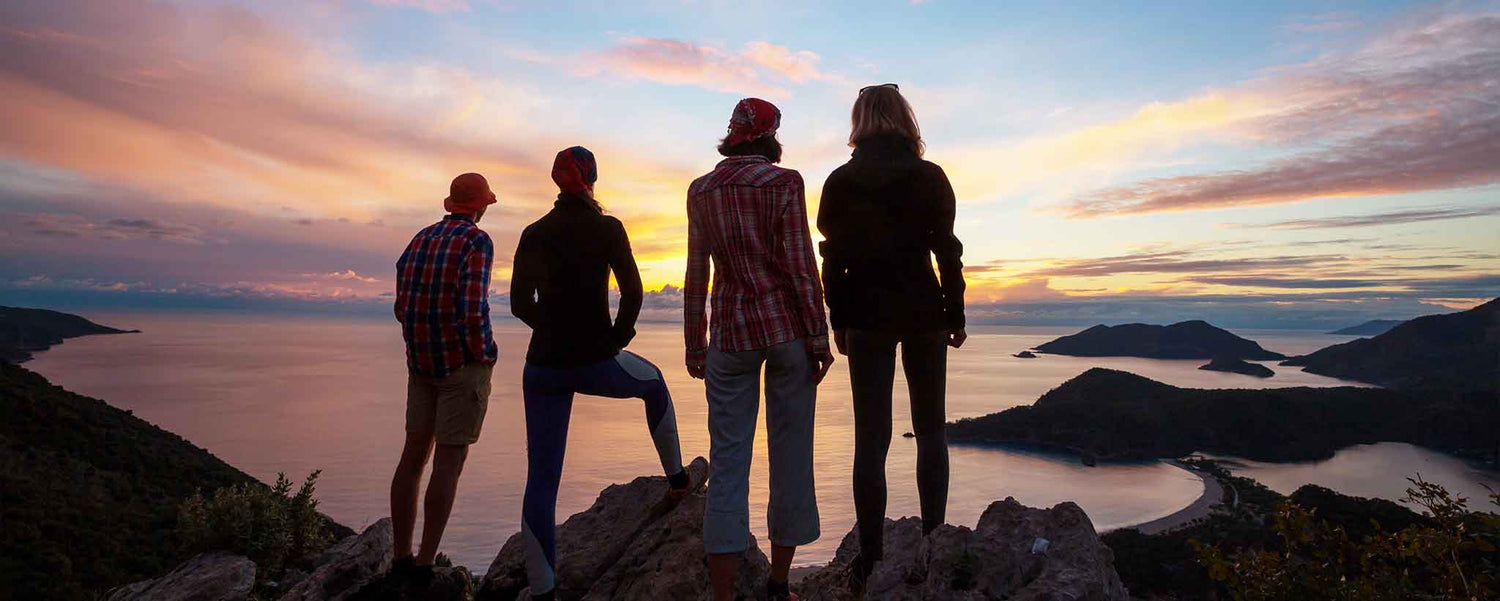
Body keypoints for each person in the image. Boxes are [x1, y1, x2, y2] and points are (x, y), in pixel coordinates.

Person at [511, 146, 694, 601]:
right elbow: (633, 293)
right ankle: (678, 482)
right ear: (592, 177)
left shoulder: (534, 232)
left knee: (542, 479)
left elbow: (518, 304)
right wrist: (615, 338)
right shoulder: (607, 228)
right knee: (654, 385)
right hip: (594, 358)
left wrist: (552, 329)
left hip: (542, 366)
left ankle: (543, 592)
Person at [817, 83, 967, 592]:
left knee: (871, 439)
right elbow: (946, 250)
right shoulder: (929, 177)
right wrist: (956, 313)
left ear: (860, 121)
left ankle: (870, 557)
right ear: (906, 118)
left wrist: (836, 317)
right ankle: (934, 541)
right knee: (931, 431)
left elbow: (833, 258)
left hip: (866, 316)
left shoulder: (842, 180)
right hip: (924, 311)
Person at [686, 98, 834, 601]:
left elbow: (696, 272)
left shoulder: (701, 190)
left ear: (732, 134)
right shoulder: (783, 183)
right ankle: (777, 585)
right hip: (784, 330)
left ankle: (725, 596)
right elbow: (799, 265)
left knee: (728, 462)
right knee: (791, 457)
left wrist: (694, 340)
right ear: (771, 137)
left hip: (728, 333)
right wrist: (818, 335)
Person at [387, 172, 500, 589]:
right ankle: (423, 563)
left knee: (412, 458)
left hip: (421, 365)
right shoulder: (476, 242)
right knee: (449, 464)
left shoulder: (420, 239)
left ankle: (399, 556)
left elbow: (402, 306)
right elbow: (473, 309)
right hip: (460, 366)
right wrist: (485, 353)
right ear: (479, 206)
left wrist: (421, 342)